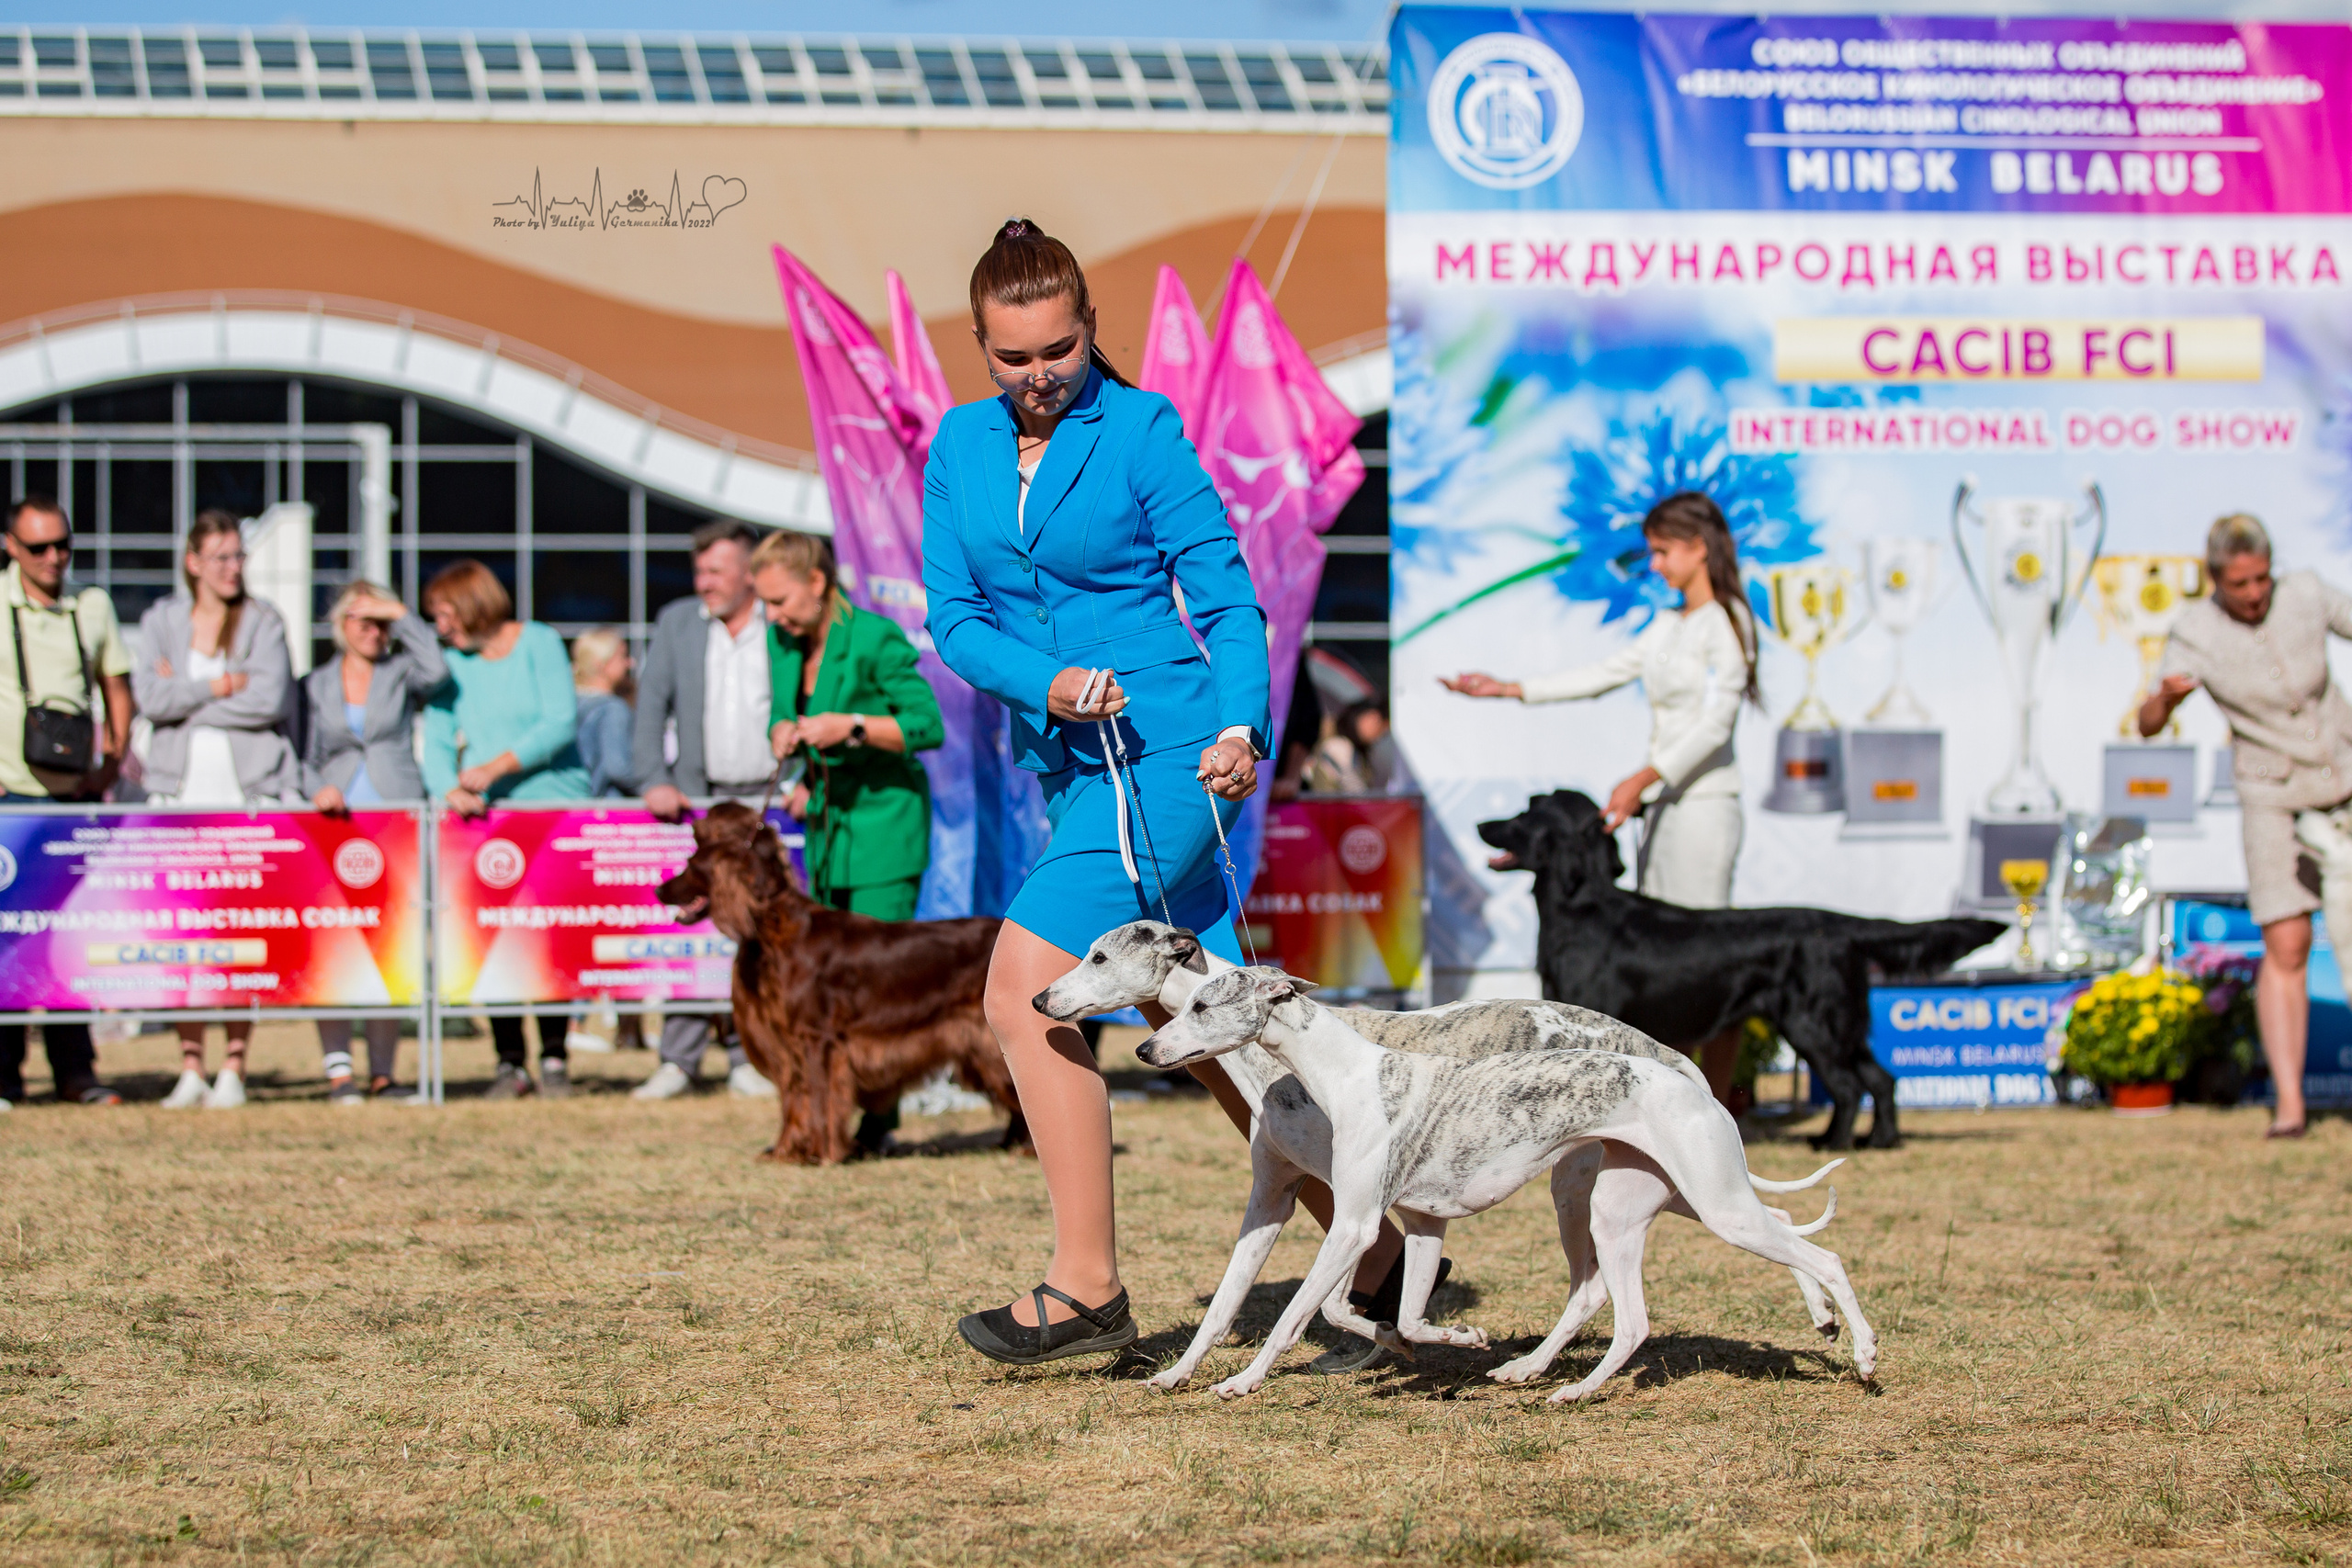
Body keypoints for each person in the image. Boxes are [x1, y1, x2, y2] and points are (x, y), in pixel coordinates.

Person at [923, 218, 1410, 1369]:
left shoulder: (1140, 429)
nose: (1038, 376)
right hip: (1073, 766)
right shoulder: (957, 444)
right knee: (1216, 1033)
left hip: (1174, 757)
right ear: (980, 347)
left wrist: (1242, 726)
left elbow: (1226, 596)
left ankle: (1086, 1286)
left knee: (1022, 992)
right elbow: (956, 619)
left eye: (1058, 350)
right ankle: (1383, 1263)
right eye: (1012, 357)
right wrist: (1044, 682)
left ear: (1089, 329)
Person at [1443, 489, 1758, 1099]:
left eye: (1664, 552)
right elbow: (1603, 674)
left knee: (1710, 963)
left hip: (1705, 809)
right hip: (1662, 812)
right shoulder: (1671, 624)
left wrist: (1644, 775)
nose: (1656, 565)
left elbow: (1716, 725)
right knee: (1669, 966)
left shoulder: (1728, 623)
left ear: (1699, 548)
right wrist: (1510, 689)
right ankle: (1672, 1103)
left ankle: (1720, 1105)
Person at [2141, 513, 2349, 1139]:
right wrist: (2167, 698)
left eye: (2262, 578)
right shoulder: (2195, 631)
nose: (2256, 593)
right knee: (2286, 942)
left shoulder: (2306, 592)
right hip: (2271, 796)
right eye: (2240, 584)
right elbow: (2147, 721)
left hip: (2345, 776)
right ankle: (2290, 1104)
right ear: (2215, 580)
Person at [752, 526, 945, 1153]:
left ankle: (880, 1120)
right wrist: (784, 734)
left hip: (884, 828)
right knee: (829, 987)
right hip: (827, 832)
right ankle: (829, 1112)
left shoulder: (874, 637)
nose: (772, 616)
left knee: (876, 982)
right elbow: (787, 712)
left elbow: (926, 726)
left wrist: (853, 726)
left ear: (817, 582)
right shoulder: (785, 641)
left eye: (779, 601)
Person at [135, 508, 300, 1111]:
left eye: (238, 556)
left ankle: (234, 1065)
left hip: (244, 796)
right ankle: (190, 1067)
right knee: (185, 936)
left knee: (239, 936)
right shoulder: (162, 620)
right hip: (178, 797)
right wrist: (219, 685)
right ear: (193, 562)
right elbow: (150, 698)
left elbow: (269, 699)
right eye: (222, 556)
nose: (233, 567)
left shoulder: (263, 620)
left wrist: (185, 699)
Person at [421, 559, 590, 1100]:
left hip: (554, 809)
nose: (440, 626)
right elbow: (437, 739)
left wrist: (495, 768)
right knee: (495, 938)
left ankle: (556, 1056)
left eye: (444, 613)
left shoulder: (539, 642)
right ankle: (509, 1061)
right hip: (488, 821)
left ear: (471, 603)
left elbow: (559, 722)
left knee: (551, 938)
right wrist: (449, 788)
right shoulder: (453, 666)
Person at [629, 519, 775, 1101]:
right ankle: (679, 1059)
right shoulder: (677, 622)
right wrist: (653, 779)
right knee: (690, 934)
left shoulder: (779, 622)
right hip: (697, 800)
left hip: (769, 803)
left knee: (756, 932)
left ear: (749, 573)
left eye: (715, 571)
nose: (703, 582)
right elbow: (650, 708)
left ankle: (748, 1057)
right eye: (699, 571)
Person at [0, 495, 133, 1109]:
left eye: (63, 545)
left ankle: (77, 1071)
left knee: (66, 938)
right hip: (9, 798)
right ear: (10, 546)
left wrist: (110, 762)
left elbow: (117, 686)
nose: (54, 557)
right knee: (7, 939)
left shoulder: (93, 605)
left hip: (73, 800)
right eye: (38, 547)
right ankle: (5, 1076)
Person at [301, 579, 447, 1104]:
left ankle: (384, 1071)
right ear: (342, 625)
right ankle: (339, 1070)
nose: (374, 632)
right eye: (364, 621)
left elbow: (438, 668)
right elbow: (303, 754)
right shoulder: (315, 684)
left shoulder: (400, 673)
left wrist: (400, 612)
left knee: (392, 948)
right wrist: (316, 789)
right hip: (335, 826)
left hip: (395, 821)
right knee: (334, 947)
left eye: (382, 624)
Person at [571, 628, 635, 799]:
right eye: (622, 656)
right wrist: (653, 785)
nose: (630, 663)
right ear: (601, 664)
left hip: (573, 802)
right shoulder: (613, 708)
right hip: (604, 806)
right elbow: (618, 768)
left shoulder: (567, 704)